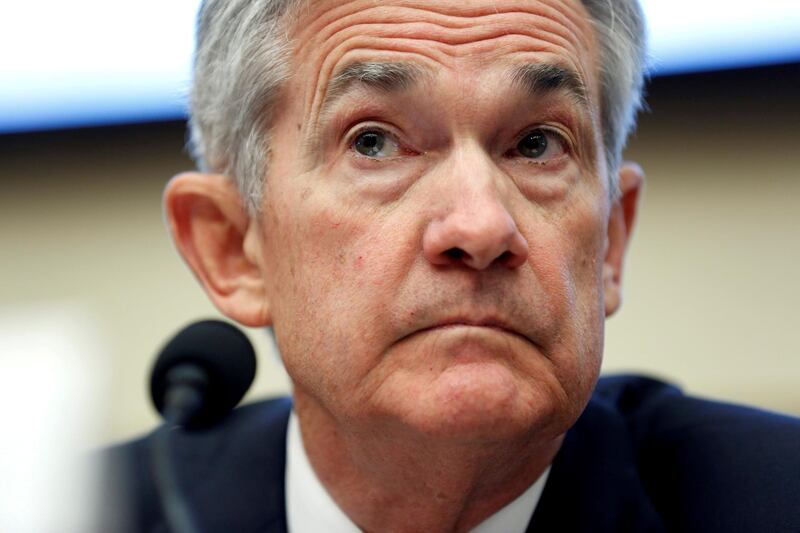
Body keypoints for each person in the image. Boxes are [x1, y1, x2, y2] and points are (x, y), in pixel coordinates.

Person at [99, 0, 800, 531]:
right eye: (373, 142)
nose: (481, 225)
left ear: (611, 240)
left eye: (536, 144)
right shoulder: (73, 511)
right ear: (232, 247)